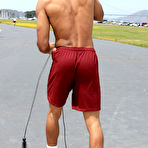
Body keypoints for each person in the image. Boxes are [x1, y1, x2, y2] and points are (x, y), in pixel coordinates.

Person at [36, 0, 104, 148]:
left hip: (63, 56)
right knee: (93, 120)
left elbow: (42, 45)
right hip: (88, 55)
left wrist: (50, 48)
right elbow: (99, 16)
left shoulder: (45, 3)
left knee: (54, 112)